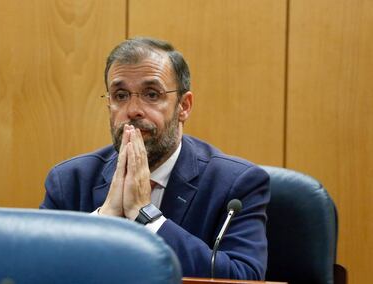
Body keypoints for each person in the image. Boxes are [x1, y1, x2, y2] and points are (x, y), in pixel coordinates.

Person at [40, 37, 270, 280]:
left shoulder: (236, 185)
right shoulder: (69, 181)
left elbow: (243, 277)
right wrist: (104, 219)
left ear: (184, 106)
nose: (133, 110)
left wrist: (146, 215)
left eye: (151, 94)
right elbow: (35, 269)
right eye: (120, 95)